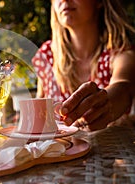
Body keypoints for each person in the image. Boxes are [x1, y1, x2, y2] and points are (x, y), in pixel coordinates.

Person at [32, 0, 135, 131]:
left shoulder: (121, 54)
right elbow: (38, 112)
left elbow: (123, 86)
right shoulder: (46, 55)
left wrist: (105, 103)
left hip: (109, 148)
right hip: (61, 150)